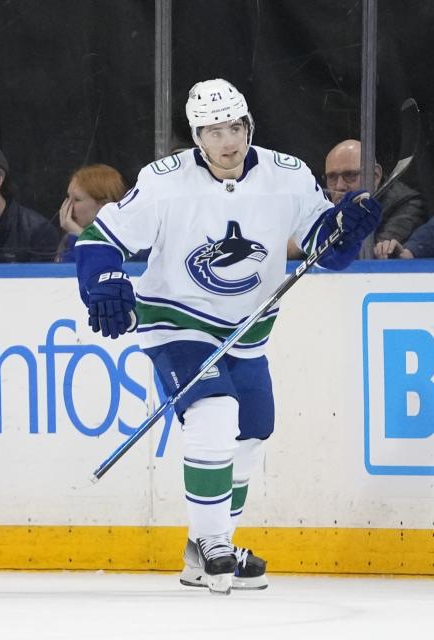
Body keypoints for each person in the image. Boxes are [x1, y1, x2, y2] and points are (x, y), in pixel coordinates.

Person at [75, 78, 381, 595]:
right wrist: (102, 281)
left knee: (254, 431)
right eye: (213, 131)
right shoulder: (164, 181)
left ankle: (203, 547)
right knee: (212, 413)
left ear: (248, 126)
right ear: (197, 136)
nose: (227, 140)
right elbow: (99, 239)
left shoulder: (287, 175)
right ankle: (217, 544)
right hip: (177, 321)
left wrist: (348, 226)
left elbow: (324, 250)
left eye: (234, 126)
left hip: (248, 327)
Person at [323, 139, 430, 256]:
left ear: (375, 175)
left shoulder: (406, 203)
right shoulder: (321, 204)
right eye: (332, 177)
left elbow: (372, 255)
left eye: (350, 175)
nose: (339, 186)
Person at [55, 164, 127, 262]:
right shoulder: (68, 239)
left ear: (104, 205)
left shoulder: (132, 242)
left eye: (77, 199)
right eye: (68, 197)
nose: (68, 207)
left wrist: (81, 238)